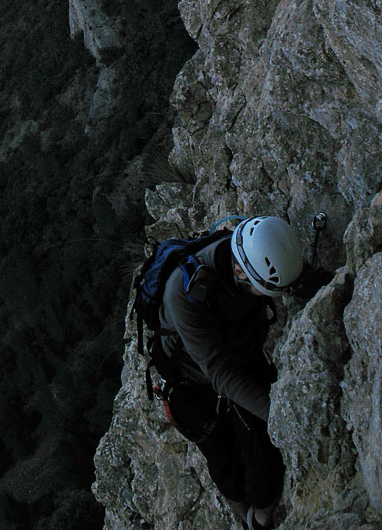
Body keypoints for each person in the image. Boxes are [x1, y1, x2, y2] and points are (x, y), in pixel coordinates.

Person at [156, 215, 306, 530]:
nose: (264, 298)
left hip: (237, 352)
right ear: (239, 271)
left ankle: (262, 518)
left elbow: (288, 273)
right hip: (190, 379)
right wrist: (277, 413)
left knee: (260, 451)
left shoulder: (253, 246)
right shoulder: (182, 295)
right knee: (223, 462)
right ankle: (244, 516)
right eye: (260, 291)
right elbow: (221, 374)